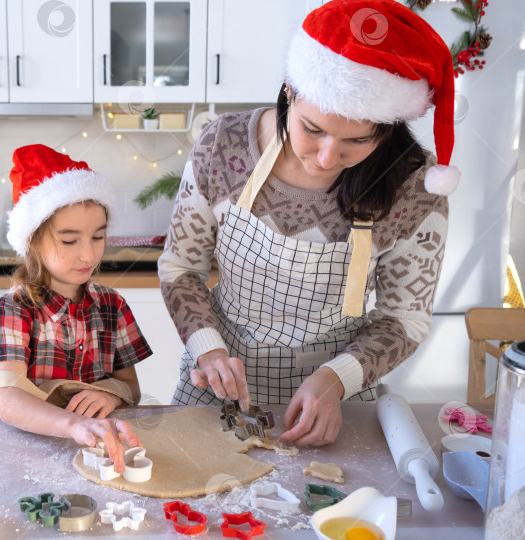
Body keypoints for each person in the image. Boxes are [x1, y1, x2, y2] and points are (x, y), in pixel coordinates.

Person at [158, 0, 458, 447]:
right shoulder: (223, 144)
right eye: (312, 129)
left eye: (356, 141)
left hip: (336, 399)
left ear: (388, 128)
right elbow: (181, 266)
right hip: (216, 391)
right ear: (289, 92)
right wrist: (209, 350)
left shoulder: (414, 186)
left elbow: (404, 319)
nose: (326, 158)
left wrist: (335, 379)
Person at [0, 144, 152, 472]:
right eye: (70, 241)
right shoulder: (15, 308)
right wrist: (74, 425)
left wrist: (110, 396)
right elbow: (9, 401)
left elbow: (132, 388)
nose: (88, 255)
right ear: (32, 240)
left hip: (100, 452)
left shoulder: (112, 306)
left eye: (98, 237)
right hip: (31, 455)